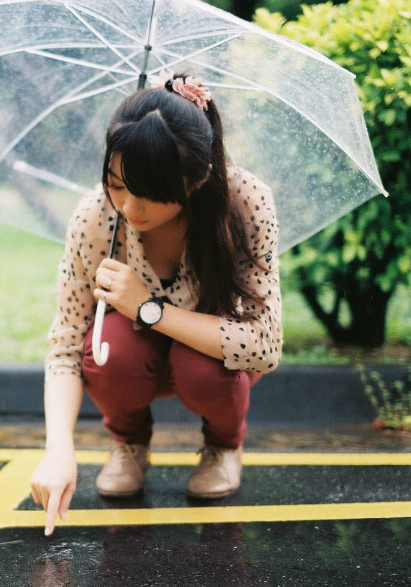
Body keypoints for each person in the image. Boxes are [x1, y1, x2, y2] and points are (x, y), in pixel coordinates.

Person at [29, 72, 283, 536]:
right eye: (117, 183)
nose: (129, 208)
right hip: (133, 362)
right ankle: (128, 443)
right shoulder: (95, 217)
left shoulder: (245, 203)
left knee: (202, 367)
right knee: (108, 351)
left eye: (150, 194)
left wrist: (150, 309)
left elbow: (264, 346)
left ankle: (225, 446)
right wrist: (58, 450)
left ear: (198, 179)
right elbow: (65, 347)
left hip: (208, 361)